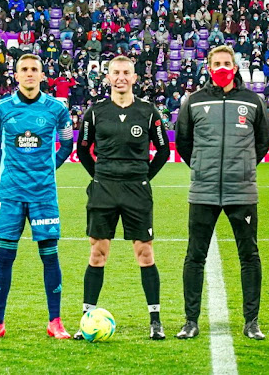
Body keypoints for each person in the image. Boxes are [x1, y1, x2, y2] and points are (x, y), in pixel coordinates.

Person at [175, 45, 269, 340]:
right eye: (217, 63)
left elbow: (262, 143)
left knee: (249, 255)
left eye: (227, 63)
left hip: (241, 192)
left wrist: (240, 169)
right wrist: (203, 167)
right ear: (208, 66)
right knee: (195, 256)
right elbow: (183, 143)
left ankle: (251, 321)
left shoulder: (253, 101)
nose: (222, 67)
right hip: (203, 191)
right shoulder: (193, 101)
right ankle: (190, 321)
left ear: (236, 65)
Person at [0, 54, 74, 340]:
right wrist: (15, 172)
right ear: (15, 75)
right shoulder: (0, 109)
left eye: (34, 69)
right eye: (24, 69)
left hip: (44, 193)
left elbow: (67, 144)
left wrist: (47, 168)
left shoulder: (57, 109)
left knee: (49, 256)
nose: (29, 74)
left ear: (42, 74)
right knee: (5, 255)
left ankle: (55, 320)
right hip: (10, 194)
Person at [76, 56, 170, 340]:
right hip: (103, 189)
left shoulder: (148, 111)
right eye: (115, 72)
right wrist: (100, 177)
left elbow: (163, 151)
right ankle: (86, 319)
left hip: (136, 190)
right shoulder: (95, 112)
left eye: (126, 72)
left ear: (134, 77)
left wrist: (142, 178)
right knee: (97, 255)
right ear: (107, 77)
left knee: (145, 254)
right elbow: (82, 150)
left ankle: (155, 321)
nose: (120, 77)